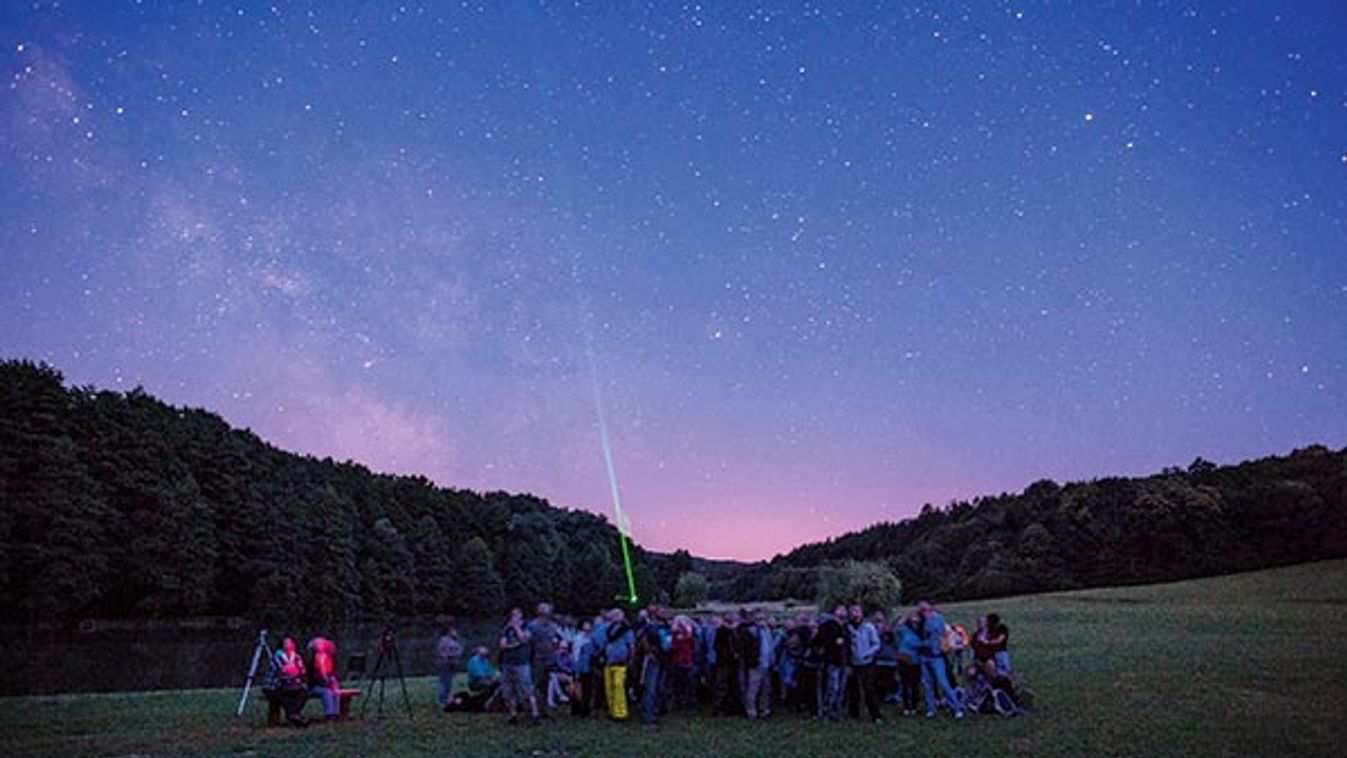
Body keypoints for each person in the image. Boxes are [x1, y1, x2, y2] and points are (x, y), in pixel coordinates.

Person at [917, 601, 965, 719]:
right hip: (924, 655)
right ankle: (931, 708)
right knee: (927, 684)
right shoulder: (918, 619)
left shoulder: (937, 618)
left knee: (943, 682)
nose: (922, 609)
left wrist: (927, 621)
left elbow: (940, 631)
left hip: (936, 656)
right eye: (920, 607)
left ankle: (957, 708)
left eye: (924, 606)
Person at [498, 608, 540, 724]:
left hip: (522, 663)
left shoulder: (527, 627)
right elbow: (502, 645)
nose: (514, 617)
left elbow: (524, 639)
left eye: (517, 614)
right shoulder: (506, 628)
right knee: (510, 690)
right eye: (512, 615)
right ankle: (513, 715)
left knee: (527, 689)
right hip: (508, 662)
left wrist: (516, 628)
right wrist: (513, 644)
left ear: (521, 616)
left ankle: (534, 714)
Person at [846, 605, 882, 722]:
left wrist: (867, 653)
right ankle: (853, 714)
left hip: (866, 662)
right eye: (852, 612)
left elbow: (876, 644)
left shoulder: (868, 627)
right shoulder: (847, 627)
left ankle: (875, 715)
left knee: (869, 689)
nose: (855, 614)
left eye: (857, 611)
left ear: (861, 613)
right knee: (853, 690)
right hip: (852, 663)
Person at [263, 636, 308, 727]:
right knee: (284, 694)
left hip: (293, 683)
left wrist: (297, 675)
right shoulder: (277, 657)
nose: (289, 645)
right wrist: (293, 674)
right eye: (287, 643)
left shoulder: (296, 657)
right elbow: (282, 672)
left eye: (291, 643)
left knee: (303, 693)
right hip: (275, 685)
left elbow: (302, 671)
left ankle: (294, 715)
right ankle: (294, 716)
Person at [814, 605, 850, 722]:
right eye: (840, 609)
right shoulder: (828, 625)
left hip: (844, 662)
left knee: (841, 689)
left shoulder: (846, 627)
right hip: (832, 661)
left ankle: (836, 713)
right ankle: (825, 712)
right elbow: (819, 641)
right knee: (832, 689)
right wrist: (833, 641)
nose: (843, 611)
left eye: (844, 610)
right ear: (834, 612)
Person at [638, 605, 673, 725]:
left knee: (660, 688)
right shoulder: (649, 626)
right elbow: (642, 639)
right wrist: (649, 652)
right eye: (662, 611)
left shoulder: (667, 626)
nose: (665, 613)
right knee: (651, 688)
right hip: (654, 660)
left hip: (665, 659)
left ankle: (656, 712)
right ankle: (648, 715)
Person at [602, 608, 636, 720]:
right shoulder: (608, 629)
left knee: (618, 686)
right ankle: (611, 711)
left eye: (618, 614)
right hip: (609, 661)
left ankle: (621, 713)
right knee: (609, 687)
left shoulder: (626, 630)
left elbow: (631, 645)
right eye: (614, 614)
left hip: (621, 662)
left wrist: (631, 659)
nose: (615, 616)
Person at [527, 602, 561, 713]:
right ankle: (532, 709)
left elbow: (558, 638)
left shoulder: (553, 625)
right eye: (542, 608)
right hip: (537, 658)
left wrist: (556, 643)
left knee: (546, 684)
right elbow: (529, 642)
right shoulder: (533, 625)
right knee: (534, 683)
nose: (545, 611)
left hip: (550, 658)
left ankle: (543, 709)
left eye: (547, 609)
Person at [712, 612, 741, 715]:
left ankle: (730, 707)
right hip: (724, 662)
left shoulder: (736, 631)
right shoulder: (722, 631)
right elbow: (718, 647)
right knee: (721, 685)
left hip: (733, 663)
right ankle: (718, 707)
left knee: (732, 685)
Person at [896, 612, 924, 716]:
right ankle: (906, 707)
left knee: (915, 684)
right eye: (913, 618)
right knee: (905, 684)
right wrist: (904, 618)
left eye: (917, 617)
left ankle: (915, 706)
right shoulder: (904, 629)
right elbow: (897, 628)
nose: (915, 620)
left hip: (917, 659)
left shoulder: (922, 631)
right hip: (904, 658)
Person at [306, 636, 341, 721]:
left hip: (327, 684)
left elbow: (335, 672)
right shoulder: (312, 662)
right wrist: (325, 682)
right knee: (327, 692)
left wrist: (333, 679)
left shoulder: (330, 659)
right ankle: (329, 714)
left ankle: (336, 713)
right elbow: (312, 678)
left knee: (335, 690)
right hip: (315, 686)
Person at [434, 620, 464, 712]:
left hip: (450, 664)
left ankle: (446, 699)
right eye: (453, 630)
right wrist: (451, 657)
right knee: (444, 682)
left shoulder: (455, 640)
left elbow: (460, 649)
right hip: (445, 664)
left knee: (448, 682)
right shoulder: (444, 640)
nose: (456, 632)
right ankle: (441, 701)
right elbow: (445, 652)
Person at [670, 615, 698, 710]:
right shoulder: (675, 634)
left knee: (690, 683)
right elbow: (673, 646)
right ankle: (679, 702)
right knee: (679, 684)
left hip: (688, 660)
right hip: (678, 661)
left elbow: (694, 645)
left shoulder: (691, 634)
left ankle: (689, 703)